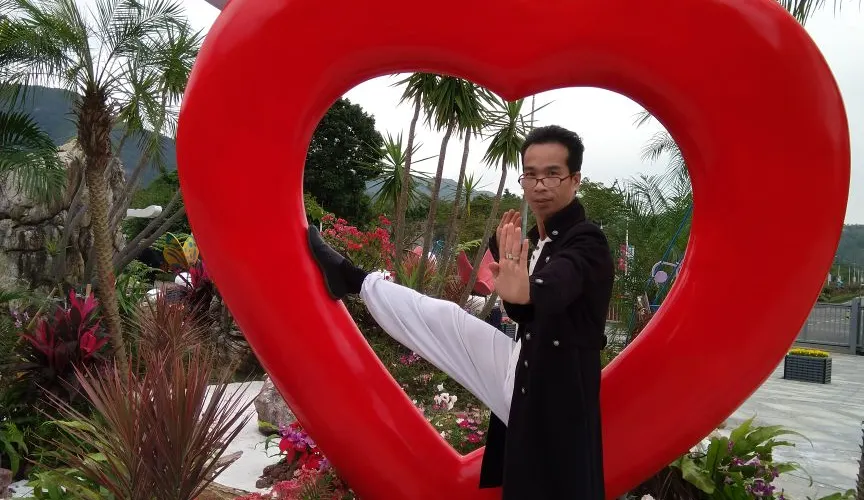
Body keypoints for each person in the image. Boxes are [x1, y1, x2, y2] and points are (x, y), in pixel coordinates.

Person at [307, 124, 614, 499]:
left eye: (552, 174)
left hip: (555, 393)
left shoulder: (587, 240)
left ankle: (352, 279)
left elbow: (560, 282)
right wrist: (516, 283)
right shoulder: (537, 239)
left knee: (555, 487)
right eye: (530, 175)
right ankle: (352, 279)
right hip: (523, 368)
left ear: (574, 179)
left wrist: (528, 291)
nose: (539, 186)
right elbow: (524, 305)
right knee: (446, 319)